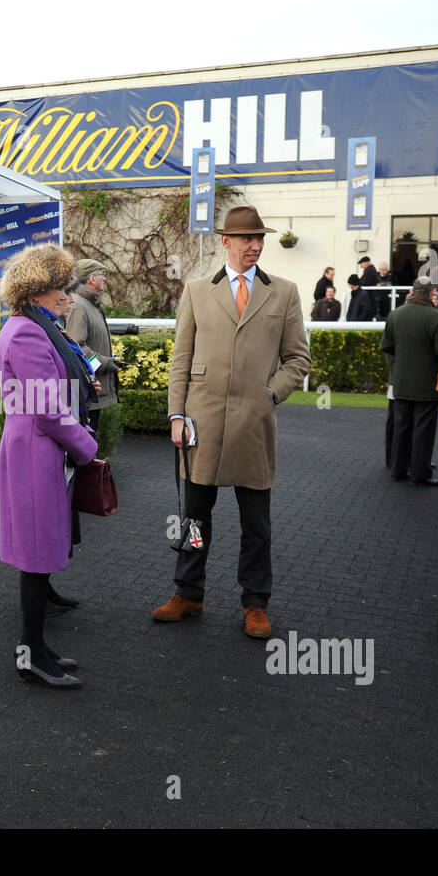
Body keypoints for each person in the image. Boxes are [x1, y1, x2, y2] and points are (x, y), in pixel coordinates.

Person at [153, 206, 311, 637]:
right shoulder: (198, 290)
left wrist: (270, 393)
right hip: (201, 423)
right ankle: (188, 592)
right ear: (226, 241)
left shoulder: (284, 292)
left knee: (256, 524)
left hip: (254, 426)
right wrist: (176, 414)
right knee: (196, 520)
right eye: (247, 239)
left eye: (260, 239)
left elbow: (299, 359)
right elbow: (181, 358)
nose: (256, 246)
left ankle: (255, 603)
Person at [0, 244, 99, 687]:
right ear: (37, 288)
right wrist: (87, 447)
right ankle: (31, 656)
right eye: (61, 287)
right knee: (36, 560)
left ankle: (37, 649)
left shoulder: (33, 326)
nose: (69, 295)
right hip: (37, 452)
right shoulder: (26, 332)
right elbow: (47, 411)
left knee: (38, 558)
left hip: (39, 450)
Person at [382, 277, 438, 486]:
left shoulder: (395, 314)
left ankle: (398, 469)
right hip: (427, 384)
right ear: (430, 292)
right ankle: (420, 472)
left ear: (412, 291)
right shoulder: (437, 317)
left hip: (401, 381)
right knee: (423, 429)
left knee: (401, 426)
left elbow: (387, 346)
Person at [65, 259, 120, 425]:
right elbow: (76, 347)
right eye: (102, 274)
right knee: (83, 446)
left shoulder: (88, 304)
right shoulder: (78, 306)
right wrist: (105, 363)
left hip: (91, 391)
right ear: (91, 279)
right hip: (85, 394)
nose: (105, 279)